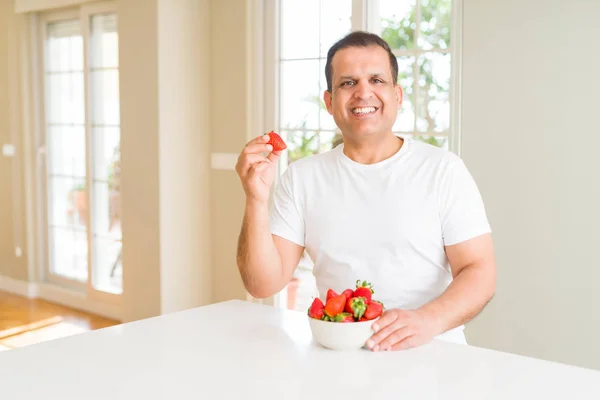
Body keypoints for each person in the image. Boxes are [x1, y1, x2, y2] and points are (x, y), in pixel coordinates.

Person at [235, 31, 496, 351]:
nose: (363, 92)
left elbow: (480, 270)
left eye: (376, 79)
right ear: (329, 102)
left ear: (398, 96)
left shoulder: (443, 170)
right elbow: (263, 284)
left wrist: (426, 320)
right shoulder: (302, 177)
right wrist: (256, 199)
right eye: (348, 82)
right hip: (336, 357)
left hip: (433, 355)